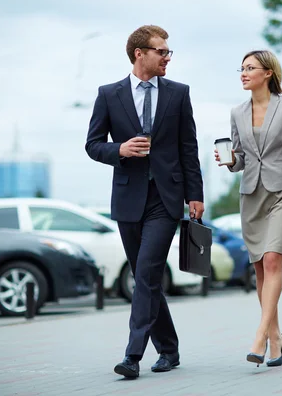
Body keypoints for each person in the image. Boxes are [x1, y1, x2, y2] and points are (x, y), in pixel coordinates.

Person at [85, 25, 204, 379]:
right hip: (127, 197)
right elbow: (93, 144)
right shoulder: (109, 94)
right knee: (145, 276)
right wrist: (118, 149)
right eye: (161, 51)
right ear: (140, 54)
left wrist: (195, 194)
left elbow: (188, 147)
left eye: (168, 52)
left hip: (166, 198)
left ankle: (133, 355)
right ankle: (169, 348)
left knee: (147, 271)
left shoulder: (179, 94)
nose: (167, 57)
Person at [215, 50, 282, 367]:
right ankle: (277, 338)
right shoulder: (237, 112)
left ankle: (260, 336)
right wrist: (230, 161)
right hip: (251, 194)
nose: (243, 73)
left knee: (272, 260)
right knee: (259, 269)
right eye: (241, 68)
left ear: (268, 73)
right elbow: (240, 157)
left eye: (250, 68)